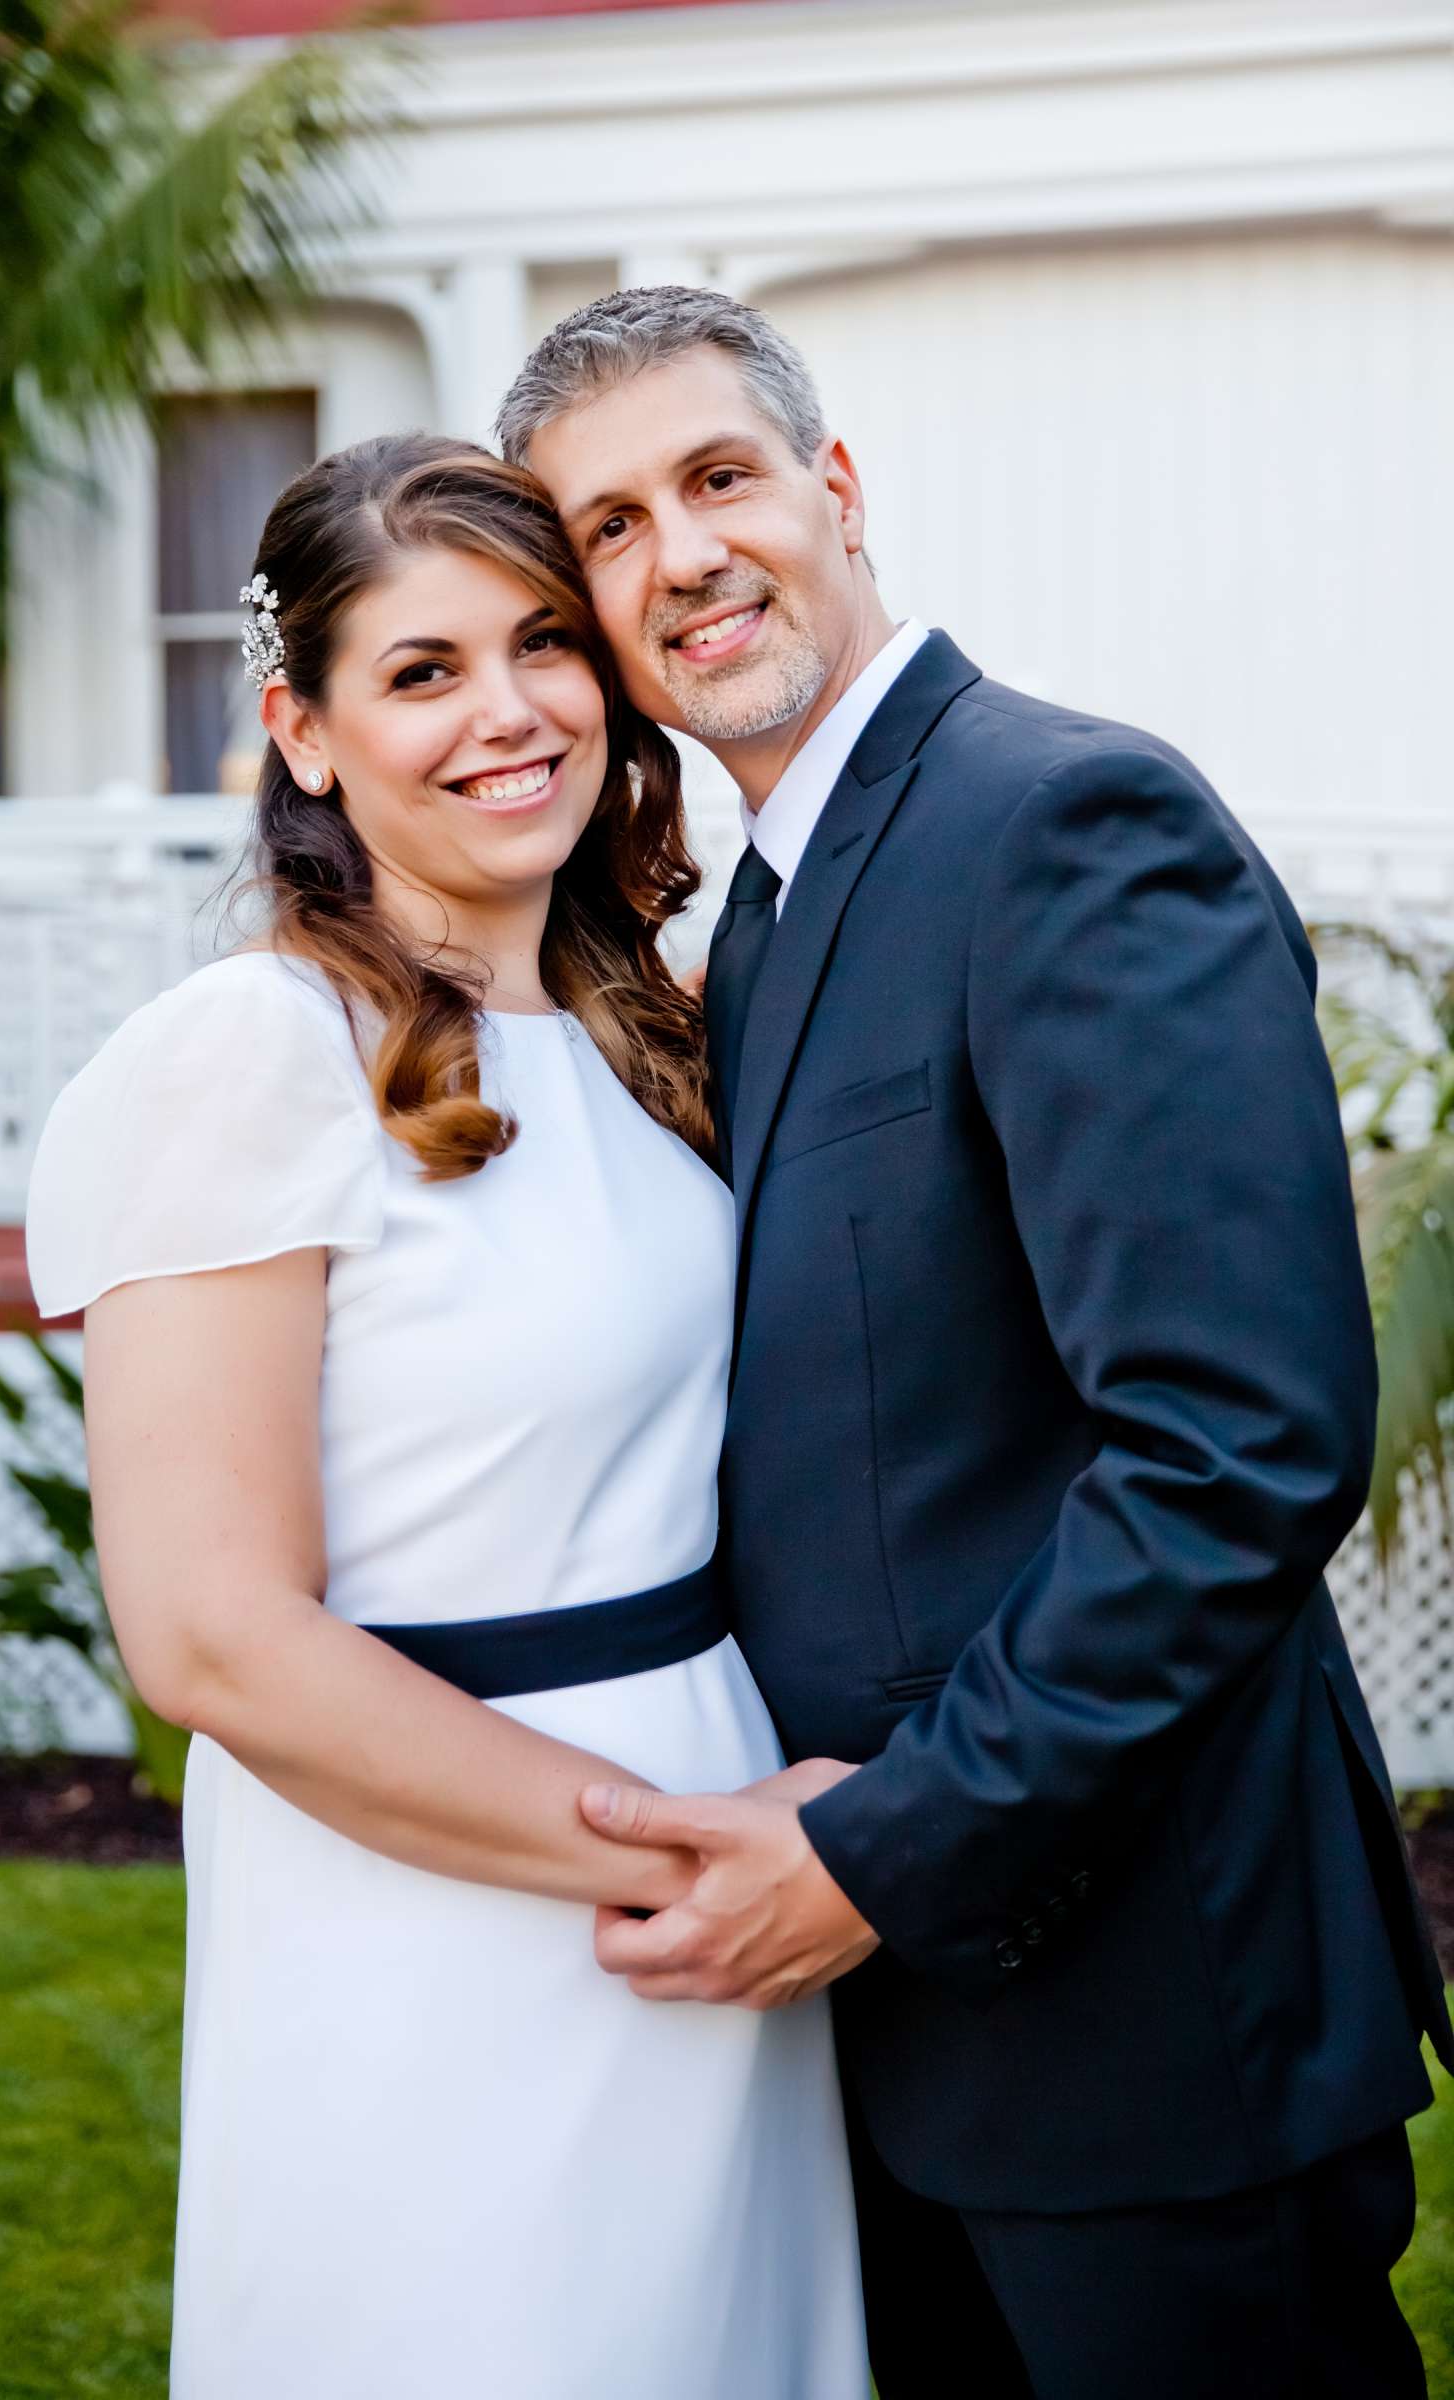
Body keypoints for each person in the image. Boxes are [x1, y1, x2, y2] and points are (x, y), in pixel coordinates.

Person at [499, 286, 1453, 2399]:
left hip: (1136, 2019)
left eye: (718, 478)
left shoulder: (1059, 825)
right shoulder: (745, 914)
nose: (682, 558)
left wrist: (870, 1856)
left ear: (833, 492)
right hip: (898, 2041)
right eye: (610, 528)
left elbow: (1230, 1452)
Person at [22, 434, 866, 2400]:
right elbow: (210, 1631)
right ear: (300, 733)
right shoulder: (247, 1055)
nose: (506, 715)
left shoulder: (640, 1029)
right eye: (418, 673)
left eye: (541, 647)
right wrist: (680, 1857)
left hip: (718, 1873)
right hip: (450, 1897)